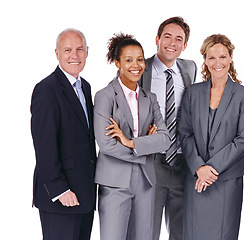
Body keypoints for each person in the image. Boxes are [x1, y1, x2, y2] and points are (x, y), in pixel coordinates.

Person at [93, 33, 170, 240]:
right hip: (115, 181)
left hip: (145, 182)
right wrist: (145, 147)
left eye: (140, 59)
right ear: (117, 63)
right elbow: (106, 144)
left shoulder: (149, 98)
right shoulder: (105, 96)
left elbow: (165, 139)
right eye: (128, 60)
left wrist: (130, 142)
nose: (135, 65)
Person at [179, 34, 244, 240]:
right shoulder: (193, 92)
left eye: (222, 57)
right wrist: (198, 167)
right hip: (196, 178)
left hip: (227, 179)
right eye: (211, 58)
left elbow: (243, 138)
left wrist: (211, 169)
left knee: (224, 234)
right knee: (194, 233)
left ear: (230, 58)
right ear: (205, 60)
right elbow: (185, 133)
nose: (217, 63)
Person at [30, 28, 96, 240]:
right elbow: (44, 146)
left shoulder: (84, 87)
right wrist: (60, 190)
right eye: (67, 50)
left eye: (79, 49)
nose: (74, 55)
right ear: (57, 54)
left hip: (84, 195)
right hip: (61, 198)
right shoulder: (46, 89)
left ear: (87, 52)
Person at [139, 16, 197, 240]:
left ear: (184, 46)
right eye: (167, 36)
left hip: (182, 163)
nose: (172, 43)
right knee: (147, 231)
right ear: (157, 39)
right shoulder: (139, 68)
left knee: (182, 232)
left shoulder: (189, 68)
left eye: (179, 39)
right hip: (152, 163)